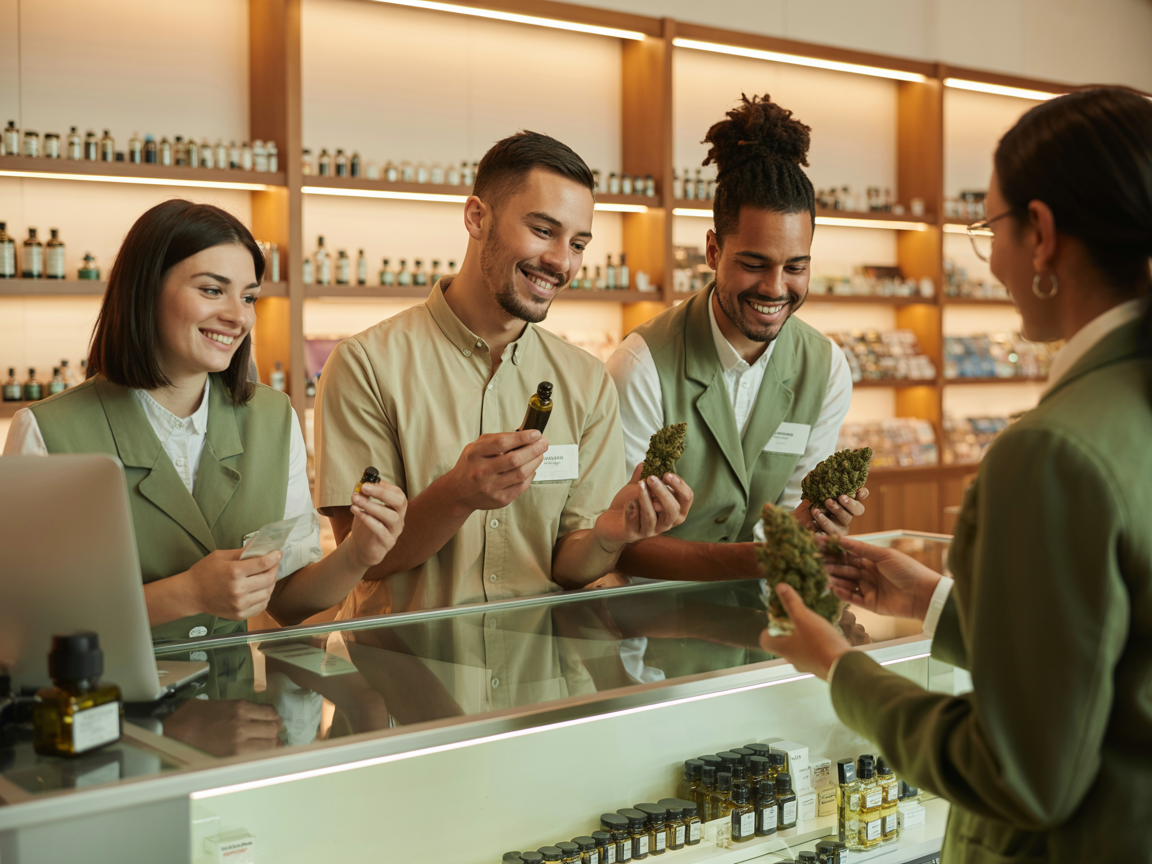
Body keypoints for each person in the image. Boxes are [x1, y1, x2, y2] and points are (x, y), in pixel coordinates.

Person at [761, 88, 1152, 862]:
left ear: (1039, 235)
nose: (993, 259)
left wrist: (843, 670)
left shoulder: (1050, 452)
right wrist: (930, 601)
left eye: (989, 229)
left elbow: (1021, 773)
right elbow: (1107, 665)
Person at [314, 130, 693, 617]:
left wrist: (610, 533)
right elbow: (361, 561)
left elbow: (566, 564)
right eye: (542, 231)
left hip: (542, 676)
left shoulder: (587, 380)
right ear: (477, 218)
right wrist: (457, 496)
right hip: (407, 674)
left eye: (578, 243)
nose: (561, 261)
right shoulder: (366, 364)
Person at [4, 200, 407, 642]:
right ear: (145, 289)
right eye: (212, 290)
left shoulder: (273, 419)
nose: (238, 316)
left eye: (249, 296)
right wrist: (187, 593)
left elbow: (288, 601)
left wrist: (359, 553)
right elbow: (24, 623)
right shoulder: (47, 432)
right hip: (105, 706)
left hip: (236, 707)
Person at [607, 94, 865, 584]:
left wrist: (814, 523)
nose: (775, 288)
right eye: (753, 264)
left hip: (764, 629)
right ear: (712, 250)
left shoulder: (826, 367)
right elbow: (616, 540)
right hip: (652, 633)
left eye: (795, 267)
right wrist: (760, 560)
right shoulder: (641, 365)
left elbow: (791, 513)